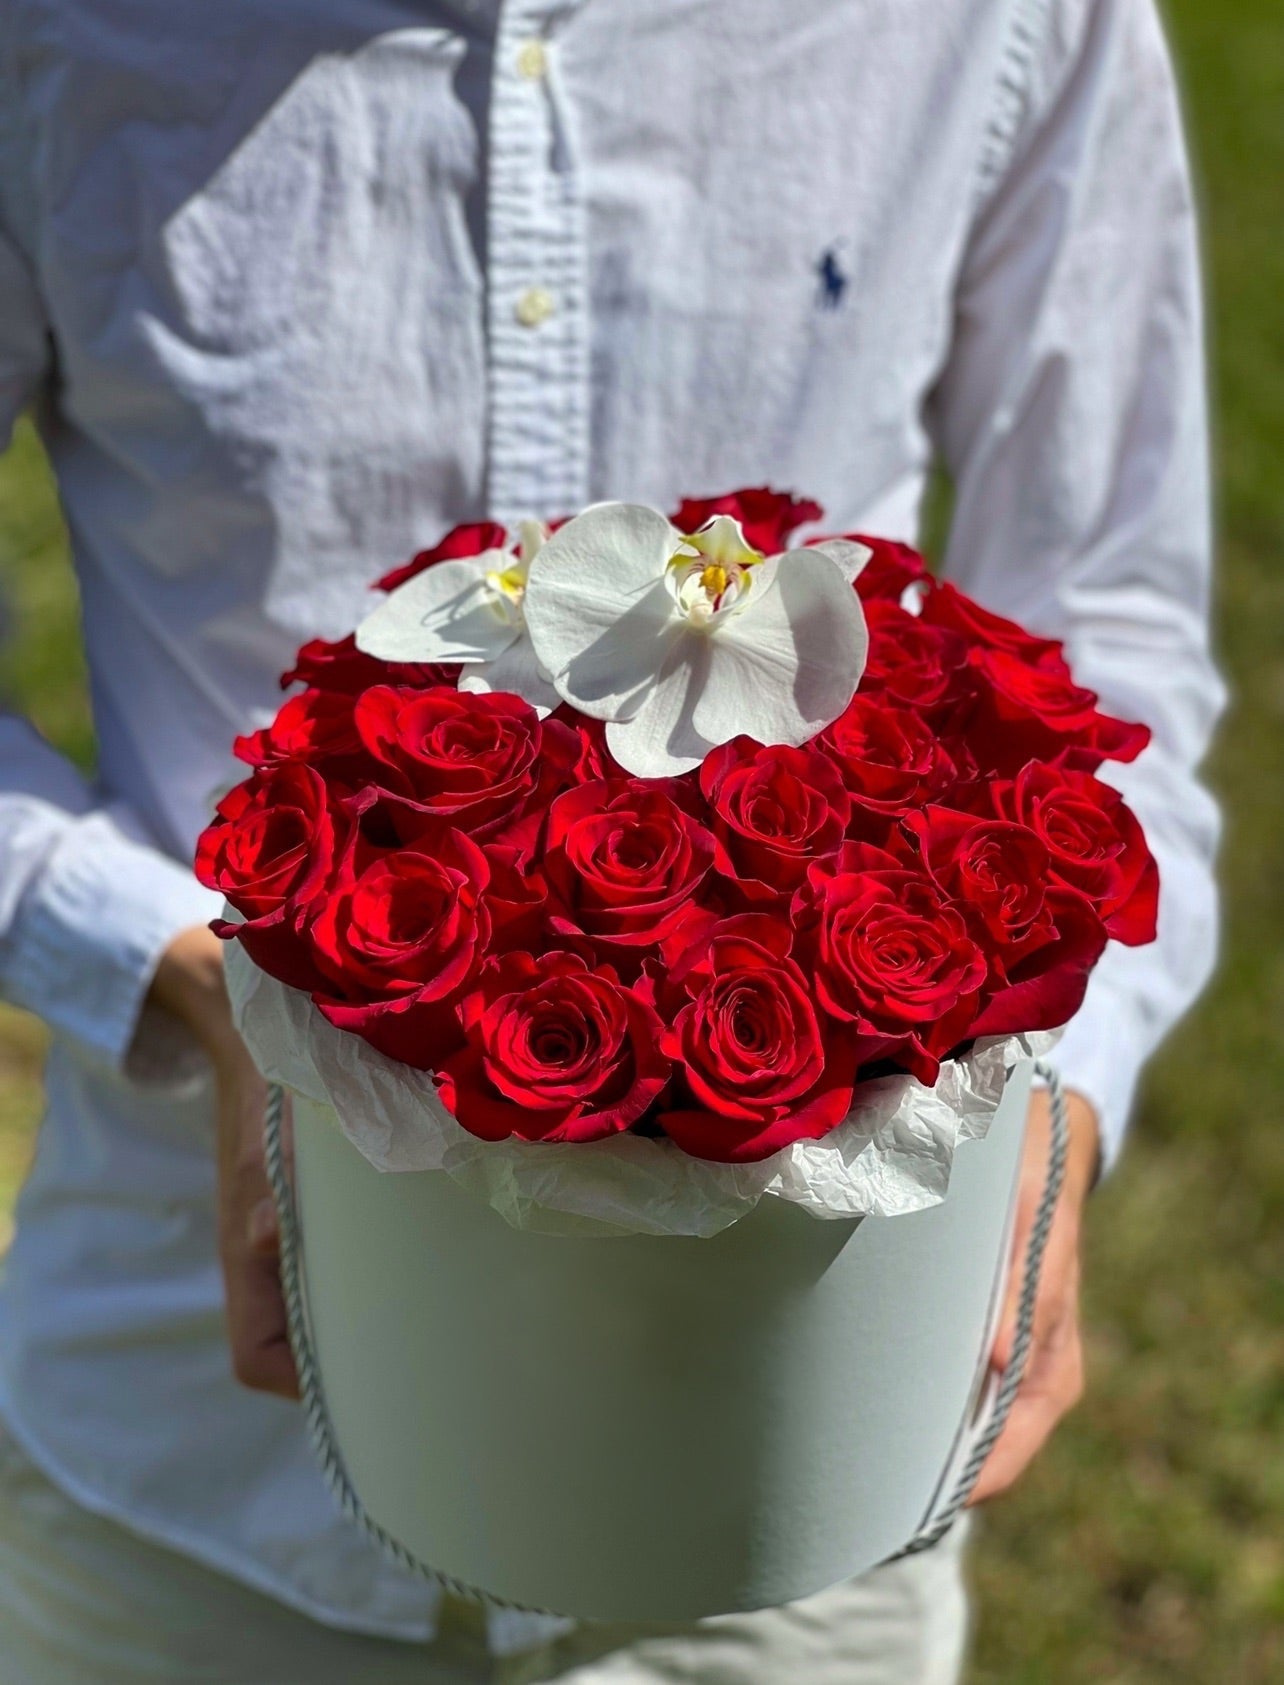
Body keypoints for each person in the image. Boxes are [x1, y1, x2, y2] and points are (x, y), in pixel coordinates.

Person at [0, 0, 1223, 1679]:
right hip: (190, 1473)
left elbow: (1111, 616)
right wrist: (202, 979)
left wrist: (1058, 1109)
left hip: (800, 1455)